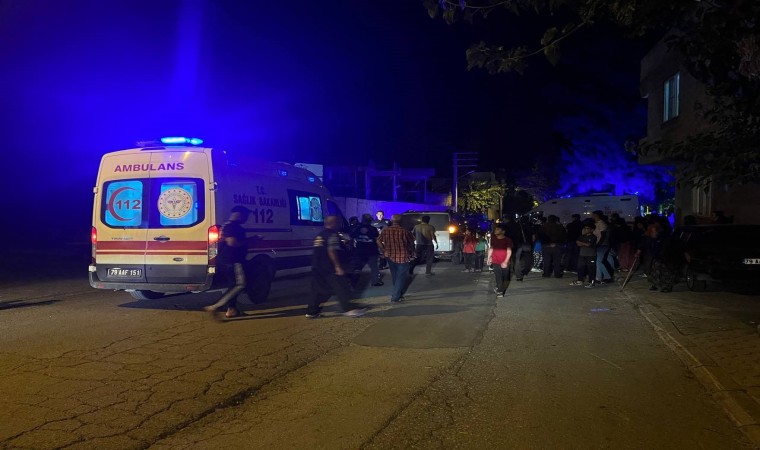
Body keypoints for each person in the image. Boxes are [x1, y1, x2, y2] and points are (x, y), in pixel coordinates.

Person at [305, 216, 368, 318]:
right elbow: (332, 250)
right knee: (341, 287)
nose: (339, 225)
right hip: (330, 267)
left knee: (317, 290)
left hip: (318, 266)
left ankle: (311, 312)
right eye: (338, 222)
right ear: (333, 223)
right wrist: (337, 266)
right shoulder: (332, 234)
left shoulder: (320, 235)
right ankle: (348, 309)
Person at [204, 206, 252, 320]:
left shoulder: (227, 226)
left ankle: (232, 310)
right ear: (239, 215)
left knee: (232, 284)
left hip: (226, 260)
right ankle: (215, 307)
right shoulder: (233, 227)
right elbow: (232, 243)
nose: (247, 218)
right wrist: (251, 240)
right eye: (246, 215)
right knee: (240, 284)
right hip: (233, 260)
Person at [377, 214, 416, 303]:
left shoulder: (385, 231)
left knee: (395, 275)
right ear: (401, 221)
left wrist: (384, 250)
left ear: (392, 221)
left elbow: (378, 241)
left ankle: (399, 293)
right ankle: (395, 297)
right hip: (403, 256)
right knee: (401, 277)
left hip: (390, 256)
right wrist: (413, 252)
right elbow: (411, 243)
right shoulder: (405, 231)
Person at [350, 213, 383, 286]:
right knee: (374, 267)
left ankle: (353, 282)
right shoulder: (373, 229)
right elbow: (377, 239)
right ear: (370, 220)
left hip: (360, 251)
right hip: (371, 251)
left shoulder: (357, 228)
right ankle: (375, 282)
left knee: (357, 268)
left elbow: (351, 237)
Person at [486, 223, 513, 298]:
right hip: (495, 261)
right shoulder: (494, 239)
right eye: (495, 229)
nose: (495, 230)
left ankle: (499, 287)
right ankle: (500, 292)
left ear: (503, 231)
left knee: (505, 277)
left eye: (498, 229)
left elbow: (509, 251)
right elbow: (491, 248)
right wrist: (489, 258)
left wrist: (505, 261)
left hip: (505, 261)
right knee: (498, 276)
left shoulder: (507, 240)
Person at [592, 210, 615, 285]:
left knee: (598, 261)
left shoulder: (602, 224)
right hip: (601, 244)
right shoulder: (597, 224)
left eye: (594, 215)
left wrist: (598, 244)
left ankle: (606, 277)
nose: (592, 217)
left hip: (602, 245)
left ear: (597, 216)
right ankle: (599, 278)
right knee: (599, 261)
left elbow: (603, 236)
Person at [572, 222, 597, 287]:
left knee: (591, 269)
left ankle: (592, 282)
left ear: (592, 230)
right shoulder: (582, 236)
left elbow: (589, 245)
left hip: (591, 255)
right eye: (585, 228)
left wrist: (582, 243)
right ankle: (580, 280)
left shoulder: (593, 237)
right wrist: (585, 244)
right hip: (582, 254)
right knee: (580, 268)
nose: (586, 230)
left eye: (587, 228)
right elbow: (577, 243)